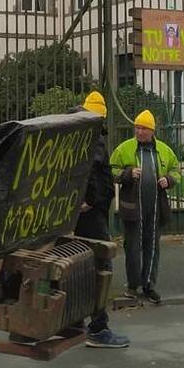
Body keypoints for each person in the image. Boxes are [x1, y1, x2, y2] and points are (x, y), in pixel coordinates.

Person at [71, 91, 131, 349]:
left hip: (83, 212)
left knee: (76, 265)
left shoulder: (74, 129)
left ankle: (72, 322)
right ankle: (98, 327)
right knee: (101, 266)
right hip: (91, 214)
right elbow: (91, 169)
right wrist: (91, 199)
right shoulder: (90, 133)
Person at [110, 110, 180, 305]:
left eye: (143, 128)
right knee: (132, 247)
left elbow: (176, 168)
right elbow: (112, 169)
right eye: (137, 127)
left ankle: (149, 285)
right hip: (133, 208)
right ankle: (132, 286)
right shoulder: (125, 148)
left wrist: (169, 179)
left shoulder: (164, 150)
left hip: (156, 208)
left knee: (152, 246)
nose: (139, 132)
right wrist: (127, 173)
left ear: (151, 131)